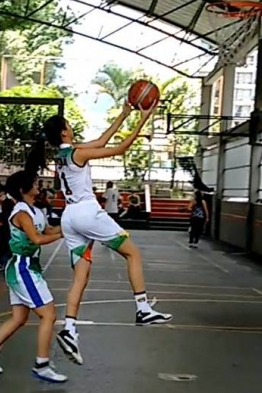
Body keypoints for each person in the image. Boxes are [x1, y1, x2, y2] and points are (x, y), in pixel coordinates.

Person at [33, 102, 172, 366]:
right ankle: (142, 308)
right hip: (87, 213)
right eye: (68, 125)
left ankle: (70, 329)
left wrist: (125, 113)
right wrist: (143, 119)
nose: (71, 127)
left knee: (80, 277)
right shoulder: (78, 154)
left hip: (69, 217)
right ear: (64, 133)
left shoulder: (63, 155)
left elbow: (102, 139)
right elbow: (120, 148)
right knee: (133, 254)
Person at [0, 169, 66, 383]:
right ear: (22, 189)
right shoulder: (21, 213)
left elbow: (50, 230)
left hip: (27, 267)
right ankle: (42, 364)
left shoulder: (35, 210)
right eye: (35, 182)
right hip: (22, 268)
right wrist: (65, 233)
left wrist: (72, 226)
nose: (39, 185)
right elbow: (37, 239)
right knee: (48, 315)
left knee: (19, 318)